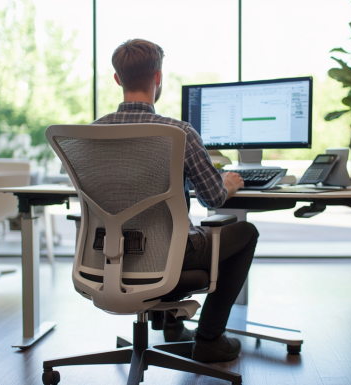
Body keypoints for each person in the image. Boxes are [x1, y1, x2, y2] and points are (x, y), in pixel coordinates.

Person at [92, 38, 259, 363]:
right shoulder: (178, 132)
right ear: (158, 77)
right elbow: (214, 197)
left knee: (170, 231)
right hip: (164, 258)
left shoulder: (92, 134)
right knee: (245, 232)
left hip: (105, 259)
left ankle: (171, 327)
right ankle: (210, 338)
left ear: (117, 79)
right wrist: (229, 183)